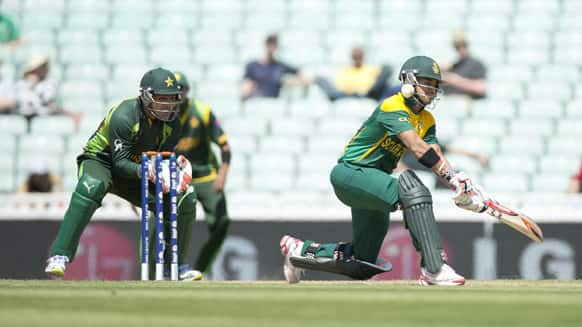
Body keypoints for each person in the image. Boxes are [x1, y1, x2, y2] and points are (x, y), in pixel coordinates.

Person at [280, 56, 488, 286]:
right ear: (408, 81)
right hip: (351, 173)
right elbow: (418, 148)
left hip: (374, 181)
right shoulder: (392, 106)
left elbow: (435, 155)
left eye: (435, 84)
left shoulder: (427, 119)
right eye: (426, 82)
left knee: (361, 261)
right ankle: (434, 267)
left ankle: (299, 252)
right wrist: (451, 178)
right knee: (413, 189)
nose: (432, 89)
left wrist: (459, 183)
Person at [44, 67, 201, 281]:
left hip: (139, 169)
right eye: (162, 98)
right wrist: (144, 172)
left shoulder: (173, 124)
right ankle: (59, 255)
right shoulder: (125, 115)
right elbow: (119, 163)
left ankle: (174, 266)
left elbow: (160, 158)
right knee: (91, 186)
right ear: (146, 95)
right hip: (102, 161)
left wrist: (164, 175)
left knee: (185, 198)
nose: (168, 105)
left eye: (172, 98)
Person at [174, 72, 231, 279]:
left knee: (221, 221)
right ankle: (170, 267)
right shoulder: (161, 115)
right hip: (174, 177)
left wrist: (222, 175)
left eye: (182, 89)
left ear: (187, 91)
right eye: (174, 90)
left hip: (204, 173)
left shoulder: (202, 111)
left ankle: (200, 268)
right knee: (168, 222)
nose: (178, 94)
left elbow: (224, 146)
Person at [240, 34, 312, 100]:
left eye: (274, 45)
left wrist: (291, 82)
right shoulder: (253, 66)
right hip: (256, 101)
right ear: (266, 45)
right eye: (270, 44)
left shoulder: (280, 66)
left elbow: (301, 74)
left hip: (274, 105)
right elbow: (246, 85)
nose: (272, 48)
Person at [315, 46, 393, 102]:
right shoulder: (345, 70)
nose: (357, 58)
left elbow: (375, 84)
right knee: (327, 87)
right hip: (349, 95)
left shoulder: (371, 68)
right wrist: (358, 89)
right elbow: (342, 87)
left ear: (363, 56)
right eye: (355, 56)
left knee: (387, 70)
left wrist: (365, 89)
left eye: (359, 56)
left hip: (369, 94)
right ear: (352, 57)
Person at [441, 30, 487, 99]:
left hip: (467, 105)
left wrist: (457, 81)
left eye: (463, 45)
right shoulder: (454, 66)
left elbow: (481, 88)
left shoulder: (476, 64)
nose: (461, 49)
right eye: (457, 46)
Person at [15, 55, 58, 122]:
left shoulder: (49, 84)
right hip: (24, 116)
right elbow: (24, 104)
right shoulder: (21, 84)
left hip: (43, 118)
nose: (42, 69)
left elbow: (49, 102)